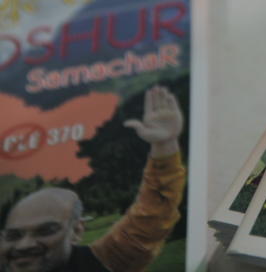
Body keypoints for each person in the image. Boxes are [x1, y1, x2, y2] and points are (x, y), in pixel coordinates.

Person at [0, 86, 186, 272]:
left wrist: (164, 145)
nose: (24, 245)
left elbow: (153, 214)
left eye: (46, 231)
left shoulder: (104, 261)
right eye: (13, 235)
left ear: (77, 231)